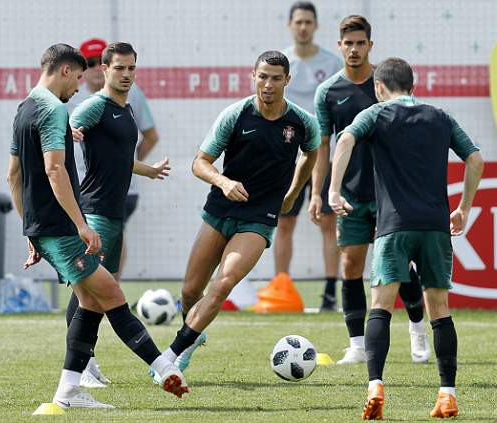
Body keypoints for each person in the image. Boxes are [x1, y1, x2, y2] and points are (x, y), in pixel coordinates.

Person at [7, 44, 188, 410]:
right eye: (77, 76)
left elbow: (15, 175)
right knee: (112, 295)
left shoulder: (24, 108)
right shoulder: (54, 109)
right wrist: (81, 226)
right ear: (64, 71)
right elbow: (54, 170)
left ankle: (69, 391)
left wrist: (30, 229)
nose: (79, 86)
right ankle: (164, 367)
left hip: (48, 226)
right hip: (65, 225)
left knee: (91, 300)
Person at [328, 57, 484, 419]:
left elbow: (345, 139)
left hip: (393, 226)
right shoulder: (440, 116)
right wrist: (463, 208)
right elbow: (475, 160)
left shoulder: (376, 114)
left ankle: (376, 386)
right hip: (434, 225)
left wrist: (334, 191)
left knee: (381, 306)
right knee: (440, 311)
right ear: (413, 85)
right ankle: (447, 393)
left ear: (379, 87)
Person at [154, 50, 320, 380]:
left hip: (259, 217)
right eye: (262, 76)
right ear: (253, 76)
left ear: (287, 80)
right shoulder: (236, 114)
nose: (268, 84)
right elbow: (199, 163)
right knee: (190, 291)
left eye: (275, 78)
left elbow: (312, 153)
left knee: (223, 283)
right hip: (221, 208)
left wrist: (295, 192)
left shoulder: (302, 123)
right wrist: (223, 180)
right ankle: (194, 332)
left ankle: (173, 355)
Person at [311, 16, 429, 365]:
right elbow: (323, 147)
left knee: (398, 264)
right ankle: (358, 346)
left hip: (391, 194)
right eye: (348, 43)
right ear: (339, 46)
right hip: (350, 194)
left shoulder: (388, 84)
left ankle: (418, 329)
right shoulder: (328, 92)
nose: (354, 49)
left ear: (370, 46)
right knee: (350, 265)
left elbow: (410, 135)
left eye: (360, 43)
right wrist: (317, 192)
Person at [69, 42, 171, 388]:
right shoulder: (95, 106)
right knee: (86, 292)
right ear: (105, 69)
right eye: (119, 68)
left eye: (131, 69)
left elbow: (119, 160)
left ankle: (85, 362)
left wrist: (149, 170)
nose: (126, 75)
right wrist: (70, 131)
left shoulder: (125, 110)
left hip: (114, 214)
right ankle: (80, 367)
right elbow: (64, 127)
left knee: (99, 290)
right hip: (94, 211)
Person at [270, 1, 343, 310]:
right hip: (287, 157)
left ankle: (329, 292)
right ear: (290, 25)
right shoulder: (282, 65)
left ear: (315, 25)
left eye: (307, 22)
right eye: (297, 22)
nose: (302, 27)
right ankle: (281, 288)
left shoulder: (332, 63)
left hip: (322, 154)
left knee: (328, 221)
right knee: (284, 222)